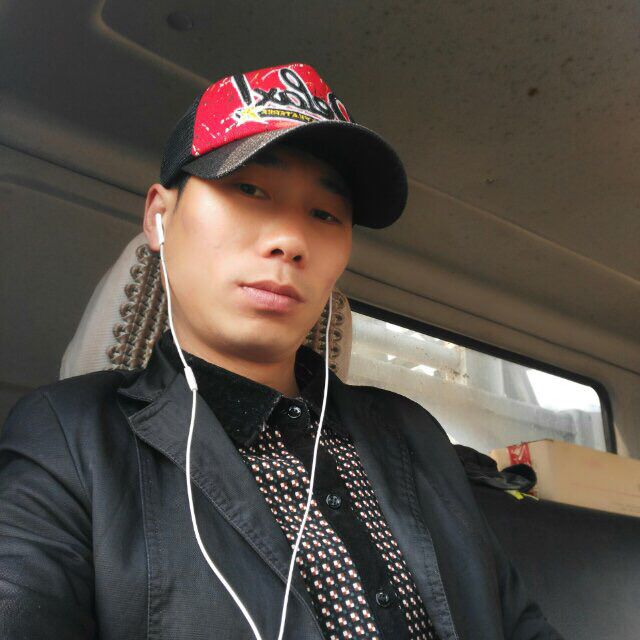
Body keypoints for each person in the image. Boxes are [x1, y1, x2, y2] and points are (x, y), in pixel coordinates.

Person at [0, 62, 564, 640]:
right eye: (248, 190)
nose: (291, 242)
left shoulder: (413, 435)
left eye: (325, 214)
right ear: (160, 217)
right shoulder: (68, 439)